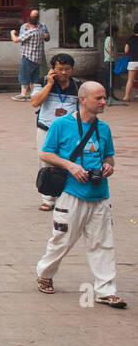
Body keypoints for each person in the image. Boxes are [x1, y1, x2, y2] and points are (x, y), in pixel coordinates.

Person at [35, 81, 126, 308]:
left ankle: (106, 290)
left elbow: (109, 156)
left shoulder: (103, 129)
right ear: (83, 99)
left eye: (105, 97)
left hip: (100, 195)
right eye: (99, 98)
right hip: (71, 194)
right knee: (62, 240)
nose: (104, 102)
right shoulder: (61, 124)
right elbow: (46, 153)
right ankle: (44, 273)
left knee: (103, 244)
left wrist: (108, 166)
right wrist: (70, 166)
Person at [30, 53, 80, 211]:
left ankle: (65, 197)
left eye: (67, 69)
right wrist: (50, 84)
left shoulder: (78, 86)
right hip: (46, 128)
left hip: (70, 131)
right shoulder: (42, 82)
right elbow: (35, 102)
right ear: (52, 69)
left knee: (68, 161)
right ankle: (48, 199)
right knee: (45, 161)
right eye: (60, 69)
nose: (64, 73)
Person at [10, 9, 49, 100]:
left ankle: (23, 95)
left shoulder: (31, 31)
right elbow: (46, 36)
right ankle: (33, 95)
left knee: (24, 75)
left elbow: (16, 40)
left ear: (29, 22)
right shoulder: (41, 31)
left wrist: (12, 33)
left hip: (28, 56)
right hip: (37, 58)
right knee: (34, 77)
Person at [123, 23, 138, 103]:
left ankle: (126, 96)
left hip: (132, 61)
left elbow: (126, 51)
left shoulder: (130, 39)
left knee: (130, 80)